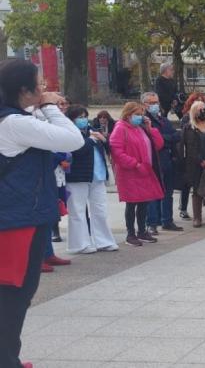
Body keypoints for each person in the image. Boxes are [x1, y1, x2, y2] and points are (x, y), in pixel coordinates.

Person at [0, 59, 84, 368]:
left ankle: (8, 357)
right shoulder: (14, 124)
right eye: (41, 84)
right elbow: (73, 140)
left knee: (15, 292)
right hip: (17, 222)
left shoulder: (14, 119)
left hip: (17, 217)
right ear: (24, 90)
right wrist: (49, 107)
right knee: (14, 292)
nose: (45, 88)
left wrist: (42, 107)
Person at [109, 102, 165, 247]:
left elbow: (157, 145)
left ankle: (142, 231)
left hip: (144, 171)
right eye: (137, 114)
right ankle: (130, 233)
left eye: (141, 114)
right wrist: (134, 163)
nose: (140, 117)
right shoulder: (120, 128)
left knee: (144, 202)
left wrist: (150, 129)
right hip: (130, 172)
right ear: (128, 115)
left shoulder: (141, 128)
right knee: (132, 203)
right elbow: (117, 151)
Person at [64, 106, 118, 254]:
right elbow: (77, 150)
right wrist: (91, 141)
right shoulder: (68, 133)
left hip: (97, 176)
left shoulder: (92, 131)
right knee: (78, 211)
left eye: (84, 116)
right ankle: (79, 244)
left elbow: (108, 149)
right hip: (77, 177)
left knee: (100, 210)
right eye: (79, 117)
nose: (83, 120)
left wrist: (103, 140)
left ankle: (104, 241)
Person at [143, 92, 183, 234]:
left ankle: (167, 220)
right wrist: (165, 139)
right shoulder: (143, 121)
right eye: (151, 102)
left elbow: (176, 136)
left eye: (156, 102)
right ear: (144, 104)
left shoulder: (163, 120)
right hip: (153, 161)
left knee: (168, 193)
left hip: (167, 160)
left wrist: (163, 139)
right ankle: (152, 223)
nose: (155, 105)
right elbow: (152, 140)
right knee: (153, 194)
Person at [179, 102, 205, 228]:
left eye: (204, 109)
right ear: (194, 112)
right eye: (200, 109)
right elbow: (190, 147)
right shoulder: (188, 128)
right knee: (197, 190)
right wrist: (200, 161)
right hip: (195, 164)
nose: (203, 111)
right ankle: (197, 218)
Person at [178, 92, 205, 221]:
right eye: (197, 102)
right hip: (190, 158)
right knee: (187, 185)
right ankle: (183, 208)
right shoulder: (186, 120)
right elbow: (186, 141)